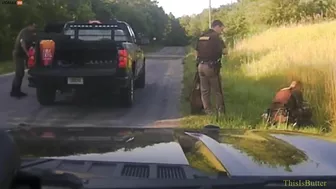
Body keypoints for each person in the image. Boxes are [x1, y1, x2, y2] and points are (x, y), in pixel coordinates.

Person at [195, 20, 227, 115]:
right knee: (217, 90)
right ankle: (220, 111)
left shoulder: (202, 36)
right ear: (216, 26)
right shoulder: (216, 37)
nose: (221, 31)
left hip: (200, 66)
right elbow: (225, 51)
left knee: (204, 90)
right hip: (211, 67)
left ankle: (208, 111)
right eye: (221, 28)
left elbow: (196, 53)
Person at [10, 22, 36, 98]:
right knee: (19, 72)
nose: (35, 28)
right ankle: (15, 91)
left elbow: (33, 43)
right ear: (29, 26)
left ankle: (17, 90)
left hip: (23, 55)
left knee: (21, 72)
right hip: (18, 54)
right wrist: (27, 53)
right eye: (33, 26)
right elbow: (22, 43)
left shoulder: (31, 33)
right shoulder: (25, 32)